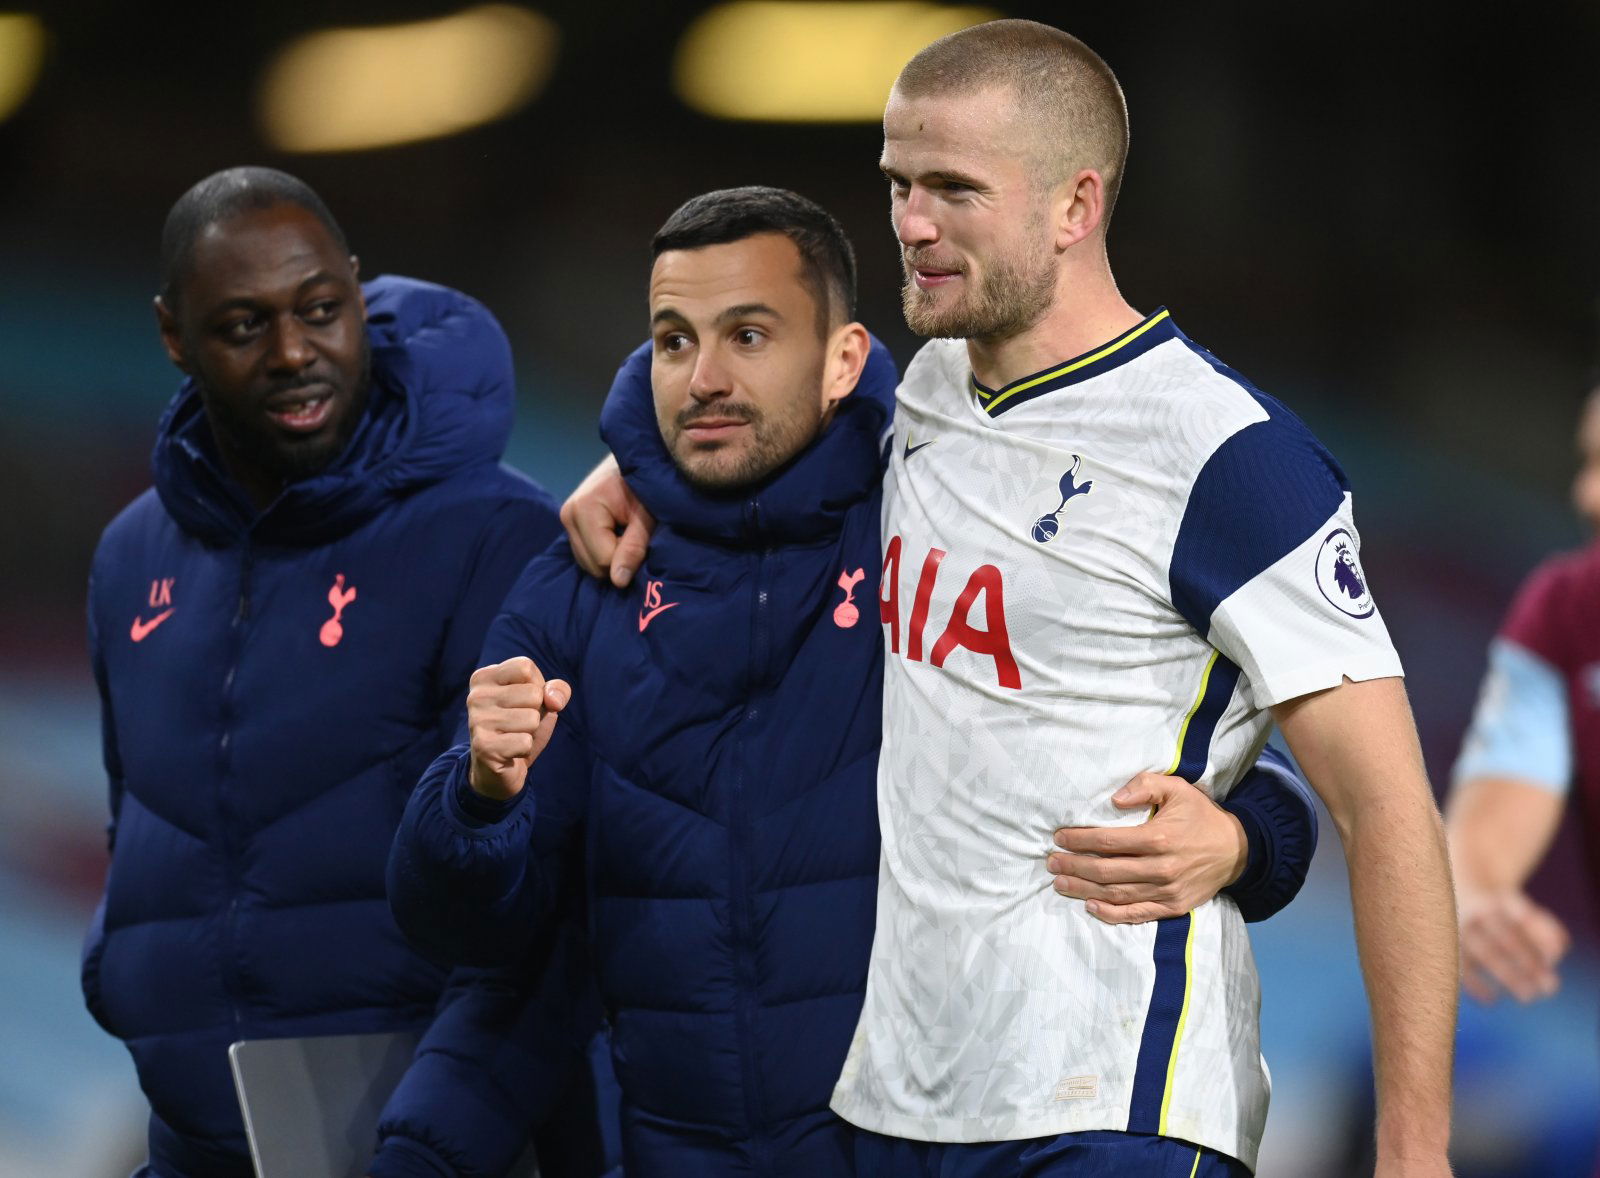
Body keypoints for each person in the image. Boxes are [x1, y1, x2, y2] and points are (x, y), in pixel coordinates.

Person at [388, 185, 1321, 1177]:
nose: (704, 377)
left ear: (841, 359)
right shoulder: (583, 581)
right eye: (672, 340)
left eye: (749, 335)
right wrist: (479, 797)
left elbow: (1221, 769)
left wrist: (1239, 835)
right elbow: (469, 932)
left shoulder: (940, 526)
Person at [81, 166, 612, 1178]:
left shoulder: (493, 534)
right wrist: (124, 973)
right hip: (193, 1137)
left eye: (321, 310)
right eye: (242, 325)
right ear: (172, 335)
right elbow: (135, 814)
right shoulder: (128, 558)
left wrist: (440, 1133)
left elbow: (540, 890)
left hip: (424, 1144)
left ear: (357, 294)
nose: (293, 352)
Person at [1447, 386, 1600, 1006]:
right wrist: (1476, 898)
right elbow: (1483, 837)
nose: (1587, 496)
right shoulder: (1565, 610)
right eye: (1589, 461)